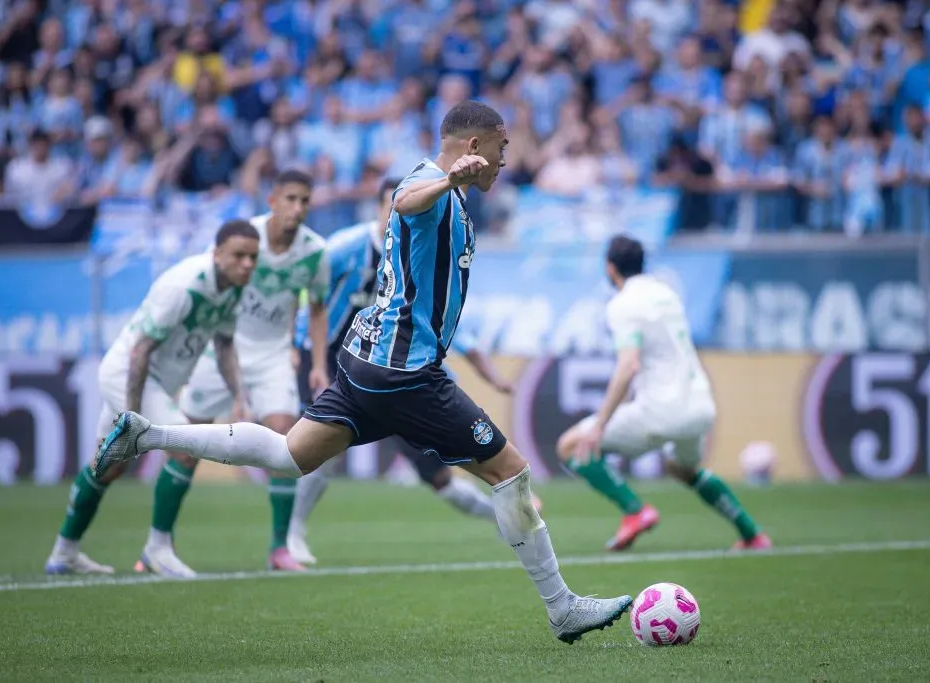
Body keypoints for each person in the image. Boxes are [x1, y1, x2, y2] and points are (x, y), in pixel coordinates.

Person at [93, 101, 633, 643]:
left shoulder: (452, 195)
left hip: (369, 360)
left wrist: (452, 185)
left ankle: (147, 434)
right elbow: (402, 202)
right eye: (501, 148)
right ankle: (562, 608)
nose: (505, 160)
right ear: (474, 147)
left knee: (289, 456)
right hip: (405, 371)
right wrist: (449, 180)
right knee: (509, 472)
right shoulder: (430, 183)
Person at [285, 178, 520, 565]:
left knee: (441, 477)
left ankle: (501, 519)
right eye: (390, 207)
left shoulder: (418, 254)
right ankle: (293, 535)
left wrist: (492, 377)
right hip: (333, 363)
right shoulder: (347, 248)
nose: (396, 215)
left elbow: (448, 324)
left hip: (392, 374)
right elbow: (312, 295)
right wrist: (303, 353)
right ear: (382, 208)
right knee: (316, 452)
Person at [45, 221, 259, 575]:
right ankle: (158, 549)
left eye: (253, 257)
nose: (247, 264)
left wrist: (240, 396)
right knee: (188, 448)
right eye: (239, 256)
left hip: (150, 380)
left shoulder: (234, 288)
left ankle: (63, 552)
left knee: (109, 466)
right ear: (216, 253)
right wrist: (132, 414)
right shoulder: (183, 286)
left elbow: (223, 345)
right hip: (130, 376)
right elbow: (140, 351)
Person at [555, 234, 772, 552]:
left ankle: (635, 511)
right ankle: (752, 534)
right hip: (699, 407)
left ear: (610, 268)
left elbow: (628, 365)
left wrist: (601, 424)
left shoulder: (622, 304)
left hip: (660, 410)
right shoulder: (666, 293)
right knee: (682, 468)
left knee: (571, 446)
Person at [162, 170, 330, 576]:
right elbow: (210, 285)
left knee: (287, 444)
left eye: (305, 200)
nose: (298, 208)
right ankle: (158, 542)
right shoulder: (243, 239)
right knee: (185, 445)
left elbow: (317, 305)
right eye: (290, 198)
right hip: (224, 347)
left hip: (273, 356)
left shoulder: (315, 251)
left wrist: (319, 364)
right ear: (271, 200)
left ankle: (279, 547)